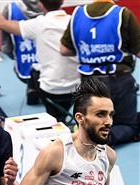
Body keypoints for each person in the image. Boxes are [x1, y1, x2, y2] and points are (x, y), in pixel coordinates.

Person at [60, 0, 140, 144]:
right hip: (118, 81)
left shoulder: (77, 14)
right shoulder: (123, 14)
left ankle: (83, 135)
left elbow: (64, 50)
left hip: (88, 82)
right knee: (128, 125)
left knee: (92, 119)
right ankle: (100, 140)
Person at [0, 0, 80, 123]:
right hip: (78, 88)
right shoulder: (75, 21)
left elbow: (0, 23)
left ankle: (37, 97)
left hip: (51, 89)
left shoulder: (38, 24)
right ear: (62, 2)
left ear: (41, 4)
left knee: (35, 70)